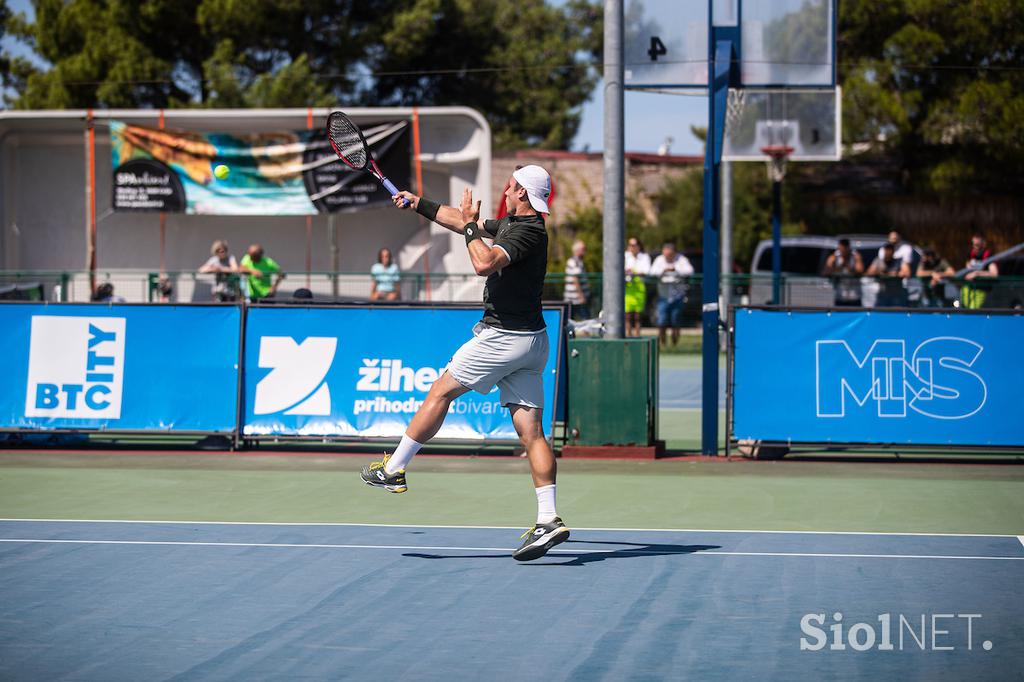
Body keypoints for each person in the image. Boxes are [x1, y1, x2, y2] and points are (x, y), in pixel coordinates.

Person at [360, 165, 567, 562]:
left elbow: (483, 262)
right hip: (533, 342)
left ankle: (395, 468)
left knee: (440, 391)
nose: (505, 188)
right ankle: (548, 520)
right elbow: (461, 221)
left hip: (504, 337)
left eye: (511, 184)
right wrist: (418, 203)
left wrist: (472, 227)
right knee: (532, 434)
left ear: (522, 192)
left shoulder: (527, 232)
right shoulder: (514, 222)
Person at [649, 241, 694, 348]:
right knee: (662, 321)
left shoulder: (681, 259)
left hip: (678, 296)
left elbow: (690, 271)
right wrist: (664, 270)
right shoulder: (659, 260)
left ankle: (675, 343)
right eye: (666, 253)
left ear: (674, 252)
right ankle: (662, 343)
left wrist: (676, 270)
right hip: (663, 296)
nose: (668, 256)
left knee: (675, 320)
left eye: (670, 253)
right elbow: (652, 272)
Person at [822, 238, 864, 306]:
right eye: (841, 249)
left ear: (848, 248)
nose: (843, 251)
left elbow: (860, 271)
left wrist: (848, 266)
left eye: (844, 249)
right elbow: (826, 271)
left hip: (854, 296)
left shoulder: (855, 256)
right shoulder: (834, 257)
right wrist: (838, 268)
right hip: (840, 296)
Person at [867, 242, 911, 307]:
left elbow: (907, 273)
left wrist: (896, 274)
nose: (888, 252)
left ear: (893, 252)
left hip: (896, 296)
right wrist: (880, 273)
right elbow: (869, 272)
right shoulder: (878, 260)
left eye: (890, 250)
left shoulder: (899, 261)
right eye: (886, 249)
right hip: (882, 295)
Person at [962, 232, 998, 309]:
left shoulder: (988, 256)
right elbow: (967, 269)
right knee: (963, 308)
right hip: (969, 287)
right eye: (973, 244)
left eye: (977, 245)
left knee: (972, 310)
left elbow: (994, 274)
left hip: (982, 289)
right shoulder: (970, 254)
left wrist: (977, 273)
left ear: (983, 245)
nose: (974, 247)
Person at [624, 237, 651, 336]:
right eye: (630, 245)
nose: (632, 247)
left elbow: (647, 271)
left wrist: (634, 272)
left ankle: (637, 335)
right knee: (627, 315)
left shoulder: (644, 257)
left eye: (634, 245)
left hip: (639, 287)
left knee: (637, 316)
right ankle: (628, 335)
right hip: (628, 287)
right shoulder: (625, 256)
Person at [563, 239, 590, 320]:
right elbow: (575, 279)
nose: (585, 251)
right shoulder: (573, 261)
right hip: (574, 299)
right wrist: (581, 296)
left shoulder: (579, 261)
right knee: (584, 319)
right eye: (583, 249)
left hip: (577, 298)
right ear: (577, 250)